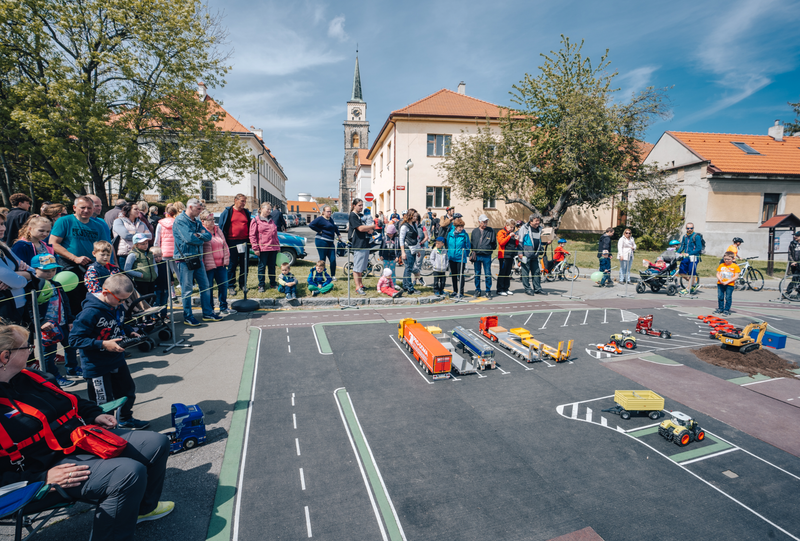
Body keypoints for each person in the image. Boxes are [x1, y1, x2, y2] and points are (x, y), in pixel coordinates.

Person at [0, 323, 174, 541]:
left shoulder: (32, 377)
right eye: (26, 346)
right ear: (5, 356)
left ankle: (142, 510)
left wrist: (93, 414)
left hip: (79, 441)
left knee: (156, 443)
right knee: (129, 473)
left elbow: (71, 401)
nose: (31, 349)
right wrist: (42, 478)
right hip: (41, 471)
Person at [69, 274, 150, 429]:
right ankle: (106, 430)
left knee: (127, 391)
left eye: (126, 299)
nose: (123, 303)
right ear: (106, 293)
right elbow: (74, 340)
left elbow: (118, 324)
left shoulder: (115, 305)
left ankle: (125, 419)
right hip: (97, 366)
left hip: (116, 360)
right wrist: (103, 344)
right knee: (103, 402)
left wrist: (129, 332)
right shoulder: (90, 312)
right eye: (120, 299)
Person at [49, 196, 113, 312]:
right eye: (82, 207)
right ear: (74, 208)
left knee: (92, 298)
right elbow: (53, 243)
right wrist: (74, 258)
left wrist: (108, 263)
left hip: (92, 266)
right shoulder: (64, 221)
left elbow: (105, 246)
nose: (86, 210)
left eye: (89, 208)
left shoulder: (98, 226)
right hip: (69, 266)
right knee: (73, 300)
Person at [29, 253, 80, 386]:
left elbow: (65, 302)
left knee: (70, 346)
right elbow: (29, 307)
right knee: (49, 354)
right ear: (34, 269)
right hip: (47, 327)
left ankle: (72, 369)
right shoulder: (34, 286)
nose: (50, 273)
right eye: (45, 271)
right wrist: (39, 323)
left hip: (62, 322)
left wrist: (70, 320)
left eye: (53, 270)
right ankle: (53, 377)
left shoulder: (56, 283)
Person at [173, 198, 220, 326]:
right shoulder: (180, 220)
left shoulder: (197, 221)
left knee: (205, 286)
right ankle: (188, 316)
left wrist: (197, 235)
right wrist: (200, 236)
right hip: (185, 258)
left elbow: (208, 236)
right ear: (190, 207)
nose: (201, 211)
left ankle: (207, 313)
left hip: (198, 257)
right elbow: (188, 239)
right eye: (199, 209)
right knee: (187, 289)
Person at [0, 214, 33, 325]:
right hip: (5, 311)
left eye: (2, 224)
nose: (2, 228)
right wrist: (23, 276)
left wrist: (17, 275)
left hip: (18, 307)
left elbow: (33, 272)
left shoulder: (4, 247)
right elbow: (16, 281)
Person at [200, 211, 234, 316]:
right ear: (203, 221)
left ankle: (223, 306)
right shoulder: (202, 231)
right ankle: (210, 309)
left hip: (221, 264)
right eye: (210, 220)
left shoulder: (218, 229)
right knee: (209, 287)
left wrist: (227, 258)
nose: (213, 222)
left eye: (213, 219)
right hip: (209, 265)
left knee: (224, 286)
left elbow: (225, 244)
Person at [217, 194, 252, 294]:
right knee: (232, 265)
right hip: (231, 242)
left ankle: (243, 284)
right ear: (235, 200)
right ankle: (231, 285)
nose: (244, 203)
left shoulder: (246, 212)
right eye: (242, 201)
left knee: (244, 264)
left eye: (245, 201)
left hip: (244, 242)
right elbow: (221, 227)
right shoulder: (228, 212)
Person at [250, 202, 279, 293]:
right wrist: (255, 248)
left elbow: (275, 234)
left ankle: (273, 283)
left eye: (270, 209)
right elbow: (252, 235)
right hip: (263, 248)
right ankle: (261, 285)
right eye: (268, 209)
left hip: (273, 248)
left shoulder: (271, 220)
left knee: (272, 267)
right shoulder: (255, 220)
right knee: (262, 267)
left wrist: (277, 246)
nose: (269, 211)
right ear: (261, 209)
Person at [517, 214, 549, 295]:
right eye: (536, 221)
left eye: (539, 221)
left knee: (536, 271)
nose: (538, 222)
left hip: (535, 254)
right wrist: (520, 253)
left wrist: (547, 242)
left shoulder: (540, 229)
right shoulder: (524, 228)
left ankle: (537, 288)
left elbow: (542, 241)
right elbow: (520, 241)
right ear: (531, 221)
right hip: (526, 254)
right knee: (525, 272)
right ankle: (527, 288)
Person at [348, 198, 374, 296]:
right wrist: (371, 227)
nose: (361, 207)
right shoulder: (353, 215)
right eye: (359, 205)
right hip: (358, 243)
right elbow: (360, 228)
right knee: (357, 267)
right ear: (354, 205)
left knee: (362, 267)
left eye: (362, 205)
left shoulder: (362, 215)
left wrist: (370, 229)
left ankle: (361, 284)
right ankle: (357, 287)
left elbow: (368, 229)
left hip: (365, 243)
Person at [308, 206, 341, 277]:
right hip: (321, 241)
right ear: (323, 212)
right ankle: (321, 275)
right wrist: (319, 230)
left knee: (333, 259)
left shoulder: (331, 219)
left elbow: (334, 227)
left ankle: (333, 276)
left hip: (330, 242)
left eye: (330, 211)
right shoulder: (320, 219)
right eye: (328, 211)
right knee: (323, 260)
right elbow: (311, 225)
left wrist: (338, 234)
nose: (329, 213)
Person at [471, 214, 496, 298]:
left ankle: (488, 291)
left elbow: (494, 244)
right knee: (477, 273)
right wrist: (474, 250)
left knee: (488, 273)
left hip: (486, 255)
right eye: (483, 222)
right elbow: (472, 242)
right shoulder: (474, 231)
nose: (485, 223)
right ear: (479, 222)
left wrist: (488, 249)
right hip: (477, 255)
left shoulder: (491, 230)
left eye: (486, 222)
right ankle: (477, 290)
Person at [446, 217, 470, 299]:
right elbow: (448, 244)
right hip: (452, 257)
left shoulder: (464, 235)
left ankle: (461, 292)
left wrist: (465, 254)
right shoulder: (450, 234)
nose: (461, 228)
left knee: (460, 275)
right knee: (453, 275)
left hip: (461, 258)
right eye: (459, 226)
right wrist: (449, 253)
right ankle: (455, 290)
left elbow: (468, 246)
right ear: (455, 227)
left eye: (462, 226)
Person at [398, 209, 421, 295]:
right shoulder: (405, 226)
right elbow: (401, 240)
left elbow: (416, 238)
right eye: (414, 216)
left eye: (416, 216)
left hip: (413, 248)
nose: (416, 218)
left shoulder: (414, 224)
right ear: (410, 216)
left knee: (408, 268)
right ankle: (410, 288)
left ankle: (405, 285)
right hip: (408, 249)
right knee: (409, 268)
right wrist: (403, 252)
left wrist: (417, 250)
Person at [678, 222, 704, 293]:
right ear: (686, 228)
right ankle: (693, 284)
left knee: (691, 272)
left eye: (691, 228)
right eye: (688, 228)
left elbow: (699, 248)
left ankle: (688, 289)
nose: (690, 229)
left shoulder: (696, 237)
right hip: (685, 258)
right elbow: (682, 246)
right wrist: (677, 253)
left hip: (694, 258)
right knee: (681, 272)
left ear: (693, 228)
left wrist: (689, 254)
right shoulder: (685, 236)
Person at [496, 219, 518, 296]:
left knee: (508, 273)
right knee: (502, 272)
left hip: (511, 255)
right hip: (503, 255)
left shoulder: (512, 234)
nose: (512, 229)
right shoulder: (501, 232)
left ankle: (506, 288)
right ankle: (500, 289)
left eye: (513, 227)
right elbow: (501, 242)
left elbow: (515, 245)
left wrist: (517, 239)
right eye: (510, 227)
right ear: (507, 225)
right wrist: (509, 236)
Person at [714, 251, 740, 315]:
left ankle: (726, 310)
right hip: (720, 283)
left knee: (728, 297)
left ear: (733, 259)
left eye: (728, 259)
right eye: (725, 259)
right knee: (720, 296)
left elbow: (736, 276)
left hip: (729, 284)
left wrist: (727, 281)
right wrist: (720, 279)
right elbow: (717, 273)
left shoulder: (735, 266)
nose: (726, 260)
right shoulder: (721, 265)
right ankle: (720, 308)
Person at [785, 231, 800, 298]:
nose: (795, 237)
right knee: (794, 278)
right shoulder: (792, 243)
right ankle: (788, 292)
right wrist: (792, 262)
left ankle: (799, 293)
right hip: (794, 264)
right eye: (795, 235)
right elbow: (790, 253)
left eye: (797, 236)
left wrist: (797, 262)